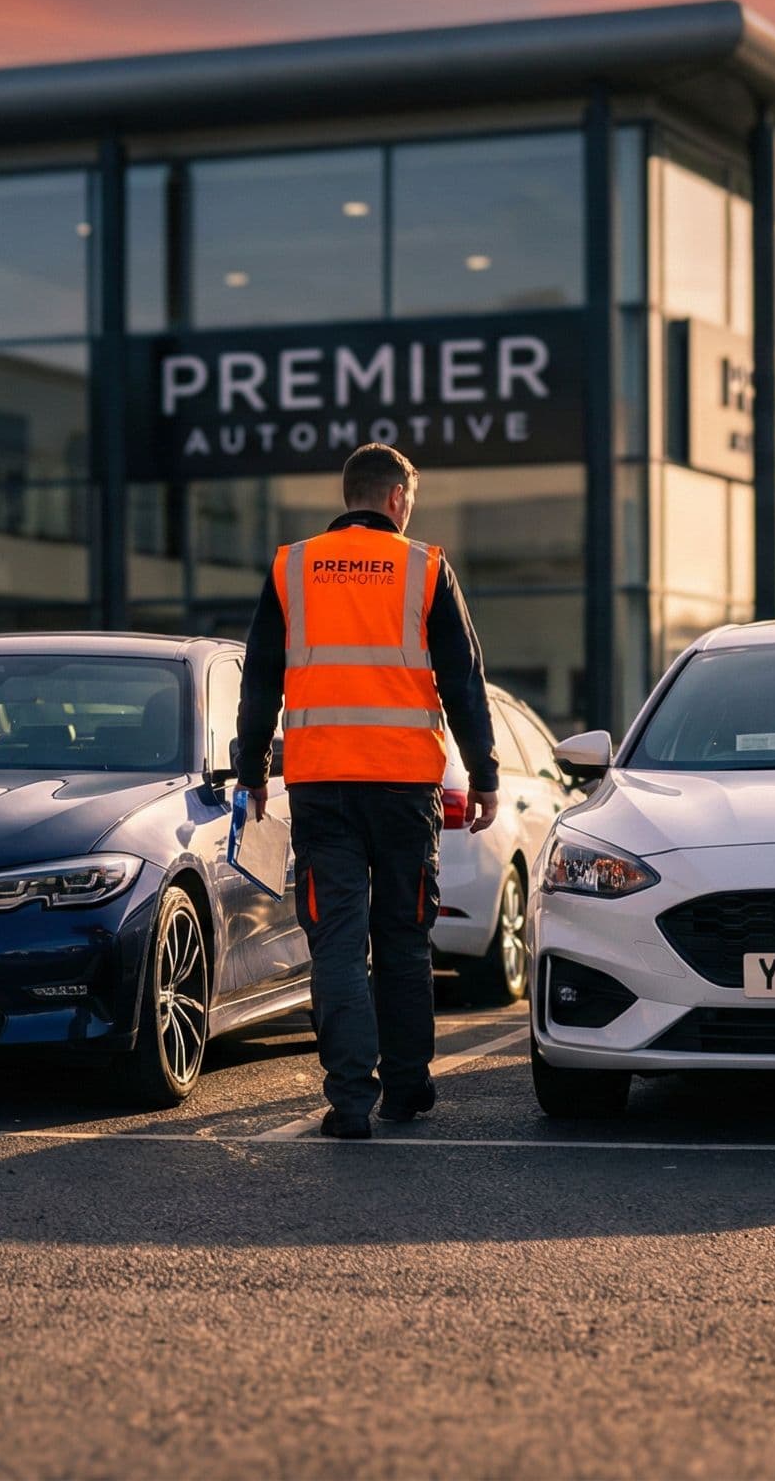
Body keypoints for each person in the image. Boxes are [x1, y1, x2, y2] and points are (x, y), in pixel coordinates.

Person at [235, 443, 496, 1140]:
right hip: (405, 786)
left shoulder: (292, 567)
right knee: (405, 941)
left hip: (322, 786)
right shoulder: (426, 566)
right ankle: (407, 1090)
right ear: (396, 499)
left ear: (349, 493)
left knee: (341, 946)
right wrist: (485, 776)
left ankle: (350, 1103)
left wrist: (252, 771)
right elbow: (463, 681)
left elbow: (259, 678)